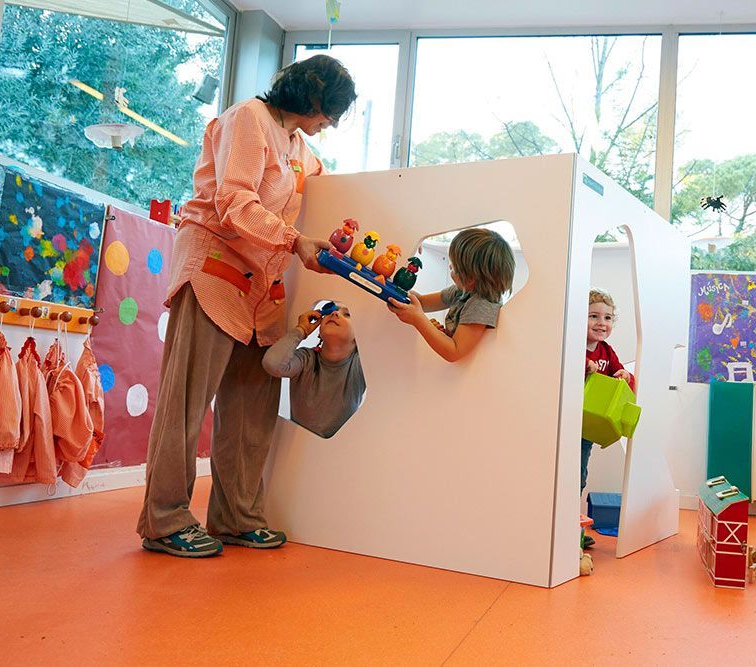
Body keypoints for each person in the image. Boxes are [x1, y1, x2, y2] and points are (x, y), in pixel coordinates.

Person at [136, 55, 356, 558]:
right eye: (331, 112)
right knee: (187, 402)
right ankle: (164, 520)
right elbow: (234, 203)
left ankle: (236, 516)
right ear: (313, 98)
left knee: (252, 402)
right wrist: (296, 240)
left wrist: (338, 235)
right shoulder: (248, 119)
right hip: (214, 267)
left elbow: (327, 187)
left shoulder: (300, 147)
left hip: (261, 285)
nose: (331, 124)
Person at [386, 228, 515, 363]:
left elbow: (454, 352)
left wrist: (418, 320)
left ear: (470, 278)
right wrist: (397, 290)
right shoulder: (462, 290)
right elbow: (423, 303)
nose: (449, 267)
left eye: (454, 266)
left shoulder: (481, 305)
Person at [262, 303, 365, 438]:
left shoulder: (360, 366)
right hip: (295, 441)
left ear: (359, 337)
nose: (335, 313)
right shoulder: (307, 358)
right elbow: (272, 364)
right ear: (319, 333)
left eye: (347, 314)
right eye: (332, 311)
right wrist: (301, 330)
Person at [581, 288, 634, 548]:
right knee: (566, 476)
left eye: (608, 318)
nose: (601, 323)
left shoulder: (606, 351)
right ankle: (565, 530)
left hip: (588, 427)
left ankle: (574, 530)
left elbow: (622, 378)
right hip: (568, 422)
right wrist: (584, 367)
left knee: (579, 476)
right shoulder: (574, 346)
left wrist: (624, 373)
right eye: (593, 316)